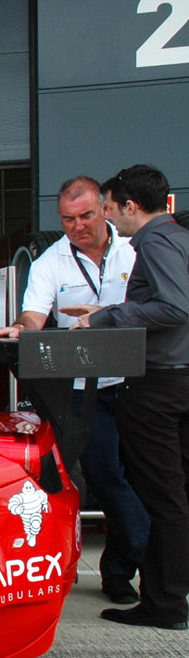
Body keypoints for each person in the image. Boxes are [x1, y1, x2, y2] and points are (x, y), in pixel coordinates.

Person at [0, 176, 149, 604]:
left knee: (148, 478)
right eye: (67, 219)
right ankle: (129, 561)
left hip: (138, 384)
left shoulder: (136, 249)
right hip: (83, 391)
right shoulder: (51, 262)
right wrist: (19, 329)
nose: (77, 226)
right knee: (106, 477)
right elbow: (34, 315)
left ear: (106, 210)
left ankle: (127, 567)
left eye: (86, 216)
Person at [64, 165, 189, 631]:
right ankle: (171, 596)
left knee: (160, 498)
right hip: (179, 380)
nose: (110, 219)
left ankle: (166, 604)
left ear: (130, 207)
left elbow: (175, 307)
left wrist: (106, 318)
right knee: (175, 497)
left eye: (111, 209)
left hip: (156, 386)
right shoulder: (180, 237)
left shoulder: (153, 242)